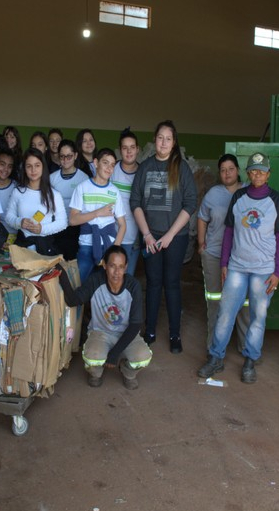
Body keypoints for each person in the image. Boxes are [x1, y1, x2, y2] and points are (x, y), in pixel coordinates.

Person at [197, 152, 279, 383]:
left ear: (269, 174)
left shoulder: (276, 199)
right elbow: (228, 232)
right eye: (253, 170)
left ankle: (250, 360)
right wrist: (225, 263)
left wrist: (278, 272)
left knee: (258, 316)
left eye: (262, 171)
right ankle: (216, 357)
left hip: (263, 269)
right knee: (226, 312)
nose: (257, 174)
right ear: (247, 173)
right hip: (237, 266)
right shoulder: (239, 196)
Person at [129, 120, 197, 354]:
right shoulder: (145, 167)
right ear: (154, 139)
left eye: (168, 138)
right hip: (150, 238)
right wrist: (147, 234)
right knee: (153, 283)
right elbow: (135, 202)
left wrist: (169, 236)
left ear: (174, 142)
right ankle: (149, 331)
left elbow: (190, 204)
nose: (164, 142)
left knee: (172, 284)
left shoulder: (182, 168)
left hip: (174, 239)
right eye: (160, 137)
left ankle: (175, 334)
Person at [57, 246, 152, 389]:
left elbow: (135, 324)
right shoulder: (96, 281)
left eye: (121, 267)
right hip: (100, 332)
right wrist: (60, 272)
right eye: (112, 266)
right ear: (104, 265)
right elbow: (73, 300)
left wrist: (115, 353)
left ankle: (128, 372)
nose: (116, 272)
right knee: (92, 356)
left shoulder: (133, 286)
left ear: (126, 267)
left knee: (143, 357)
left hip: (126, 333)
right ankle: (96, 373)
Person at [196, 153, 249, 350]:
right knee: (215, 302)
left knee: (244, 305)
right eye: (223, 170)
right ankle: (214, 348)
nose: (227, 173)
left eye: (231, 169)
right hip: (214, 255)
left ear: (238, 171)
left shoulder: (248, 191)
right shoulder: (213, 193)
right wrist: (201, 244)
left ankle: (246, 348)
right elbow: (202, 218)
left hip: (241, 258)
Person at [69, 148, 127, 285]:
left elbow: (123, 225)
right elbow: (72, 220)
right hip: (87, 246)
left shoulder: (114, 191)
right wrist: (97, 213)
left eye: (112, 165)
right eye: (105, 163)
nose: (109, 168)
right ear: (96, 163)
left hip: (108, 245)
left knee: (106, 289)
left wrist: (113, 250)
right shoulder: (82, 187)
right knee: (78, 287)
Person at [4, 148, 67, 255]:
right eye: (29, 166)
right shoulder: (18, 192)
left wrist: (42, 229)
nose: (33, 170)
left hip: (45, 247)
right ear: (24, 168)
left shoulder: (54, 194)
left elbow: (63, 222)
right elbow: (8, 217)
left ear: (43, 167)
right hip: (23, 246)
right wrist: (20, 222)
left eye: (37, 165)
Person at [50, 139, 89, 260]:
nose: (65, 160)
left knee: (72, 262)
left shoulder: (83, 178)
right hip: (56, 227)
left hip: (76, 228)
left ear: (76, 155)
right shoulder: (52, 178)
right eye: (62, 156)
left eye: (69, 156)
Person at [111, 128, 140, 275]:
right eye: (125, 148)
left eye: (132, 147)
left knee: (127, 278)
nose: (129, 152)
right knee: (110, 278)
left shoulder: (143, 172)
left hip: (132, 237)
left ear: (137, 149)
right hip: (111, 234)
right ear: (119, 150)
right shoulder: (112, 169)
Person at [0, 147, 17, 254]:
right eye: (2, 164)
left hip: (14, 238)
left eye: (9, 166)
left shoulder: (17, 188)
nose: (5, 169)